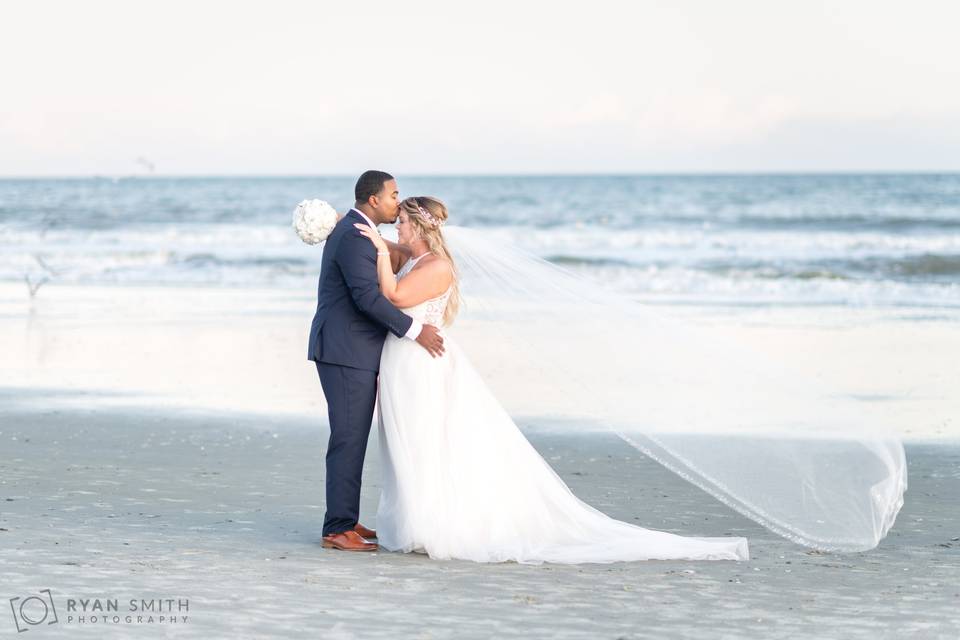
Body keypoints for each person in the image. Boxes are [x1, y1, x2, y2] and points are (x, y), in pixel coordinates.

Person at [352, 195, 749, 563]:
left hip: (424, 362)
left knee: (426, 440)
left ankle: (433, 523)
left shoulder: (437, 267)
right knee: (406, 441)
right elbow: (388, 249)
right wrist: (344, 224)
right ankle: (416, 520)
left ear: (419, 228)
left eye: (401, 221)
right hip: (403, 360)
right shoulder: (413, 256)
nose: (395, 228)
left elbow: (397, 296)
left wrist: (379, 251)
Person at [307, 170, 444, 552]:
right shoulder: (354, 235)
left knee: (352, 437)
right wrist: (417, 331)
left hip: (350, 350)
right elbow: (367, 300)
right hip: (345, 351)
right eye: (393, 195)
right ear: (373, 200)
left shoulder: (358, 229)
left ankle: (346, 519)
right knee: (348, 438)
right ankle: (337, 528)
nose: (397, 202)